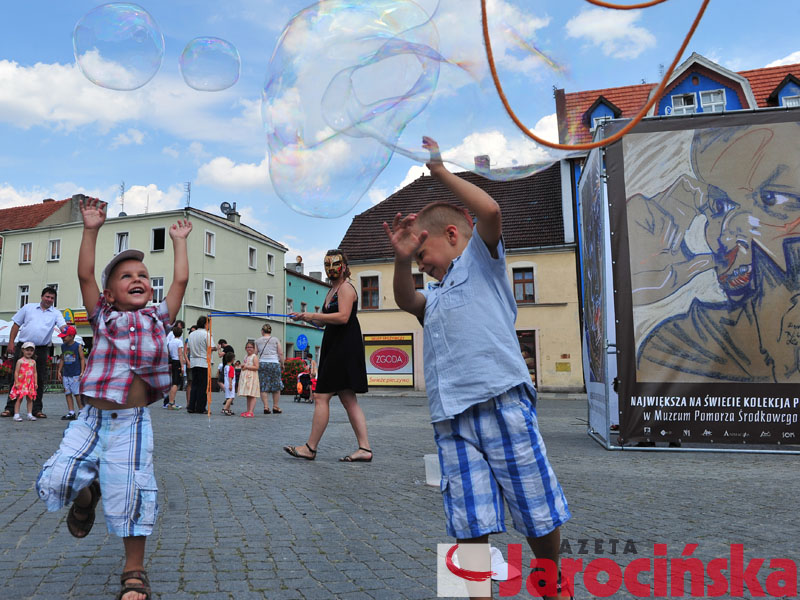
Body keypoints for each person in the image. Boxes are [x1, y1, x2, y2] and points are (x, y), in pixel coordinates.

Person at [382, 137, 571, 599]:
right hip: (451, 419)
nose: (424, 268)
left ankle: (550, 577)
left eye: (424, 257)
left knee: (535, 505)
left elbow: (489, 213)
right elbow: (405, 298)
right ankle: (475, 592)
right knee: (467, 516)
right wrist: (403, 258)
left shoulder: (481, 264)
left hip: (502, 404)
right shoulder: (435, 296)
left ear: (452, 237)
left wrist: (441, 173)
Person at [35, 196, 191, 600]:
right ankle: (87, 494)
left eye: (142, 274)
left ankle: (134, 569)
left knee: (133, 492)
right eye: (127, 276)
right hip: (90, 420)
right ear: (110, 292)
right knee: (58, 479)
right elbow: (85, 275)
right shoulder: (103, 317)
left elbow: (180, 284)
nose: (138, 278)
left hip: (132, 424)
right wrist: (91, 228)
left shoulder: (159, 319)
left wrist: (179, 241)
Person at [285, 249, 372, 462]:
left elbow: (342, 317)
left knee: (322, 396)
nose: (331, 269)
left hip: (343, 347)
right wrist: (305, 318)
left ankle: (310, 448)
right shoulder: (332, 290)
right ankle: (365, 449)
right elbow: (324, 321)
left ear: (343, 266)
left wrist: (313, 314)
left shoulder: (346, 288)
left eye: (335, 265)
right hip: (337, 345)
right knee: (348, 399)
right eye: (328, 265)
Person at [1, 286, 67, 418]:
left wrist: (69, 332)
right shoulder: (28, 308)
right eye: (47, 297)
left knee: (40, 379)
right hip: (23, 346)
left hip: (41, 349)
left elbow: (63, 326)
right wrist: (11, 342)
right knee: (16, 376)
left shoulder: (56, 313)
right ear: (42, 297)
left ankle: (37, 409)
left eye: (52, 298)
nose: (49, 300)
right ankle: (10, 408)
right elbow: (16, 325)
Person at [187, 317, 216, 414]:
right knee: (203, 386)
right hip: (203, 362)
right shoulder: (207, 334)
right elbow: (210, 347)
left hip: (194, 361)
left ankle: (191, 406)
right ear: (205, 324)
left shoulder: (191, 334)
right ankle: (200, 407)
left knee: (194, 385)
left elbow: (189, 347)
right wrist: (216, 348)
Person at [56, 326, 85, 420]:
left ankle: (81, 410)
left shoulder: (78, 346)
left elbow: (82, 359)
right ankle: (71, 411)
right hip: (66, 373)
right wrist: (59, 371)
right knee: (67, 393)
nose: (62, 338)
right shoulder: (63, 346)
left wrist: (82, 371)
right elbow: (63, 358)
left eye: (64, 336)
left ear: (72, 336)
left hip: (76, 373)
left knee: (77, 393)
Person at [255, 324, 284, 414]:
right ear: (270, 331)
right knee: (276, 386)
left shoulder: (257, 341)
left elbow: (255, 353)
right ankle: (275, 406)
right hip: (274, 363)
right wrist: (282, 364)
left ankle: (266, 407)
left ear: (262, 331)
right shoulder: (275, 340)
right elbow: (280, 353)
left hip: (263, 363)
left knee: (264, 385)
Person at [10, 342, 38, 422]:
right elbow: (16, 372)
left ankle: (29, 414)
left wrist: (35, 383)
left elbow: (35, 372)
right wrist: (16, 382)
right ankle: (16, 414)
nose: (29, 352)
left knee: (30, 398)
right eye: (27, 350)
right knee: (19, 398)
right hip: (21, 382)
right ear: (23, 350)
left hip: (30, 383)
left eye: (31, 350)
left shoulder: (33, 362)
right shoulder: (20, 361)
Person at [165, 324, 185, 410]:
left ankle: (170, 401)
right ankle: (171, 402)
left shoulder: (170, 342)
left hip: (172, 362)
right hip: (177, 362)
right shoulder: (179, 342)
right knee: (175, 383)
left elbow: (168, 353)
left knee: (173, 382)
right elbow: (180, 354)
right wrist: (182, 366)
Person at [237, 341, 260, 417]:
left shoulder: (254, 356)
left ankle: (251, 411)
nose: (249, 349)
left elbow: (256, 367)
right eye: (247, 347)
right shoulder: (246, 356)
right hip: (247, 378)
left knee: (252, 394)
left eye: (250, 347)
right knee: (248, 394)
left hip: (252, 377)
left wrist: (247, 367)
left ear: (253, 349)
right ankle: (248, 410)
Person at [220, 351, 237, 416]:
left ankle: (228, 410)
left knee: (228, 397)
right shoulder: (231, 368)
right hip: (230, 384)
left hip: (226, 383)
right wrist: (230, 385)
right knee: (231, 397)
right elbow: (230, 376)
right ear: (232, 359)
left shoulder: (225, 367)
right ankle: (225, 409)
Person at [184, 324, 197, 407]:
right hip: (190, 361)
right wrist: (188, 362)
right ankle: (188, 402)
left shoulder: (198, 339)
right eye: (191, 331)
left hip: (197, 362)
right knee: (190, 382)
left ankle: (194, 402)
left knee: (196, 383)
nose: (192, 333)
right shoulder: (187, 340)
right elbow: (185, 352)